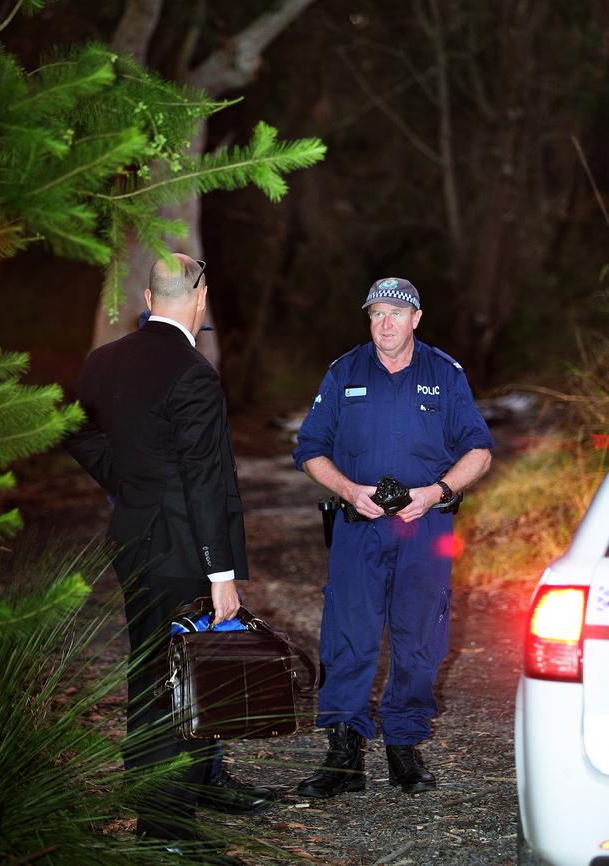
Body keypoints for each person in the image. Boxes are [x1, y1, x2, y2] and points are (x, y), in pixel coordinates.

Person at [65, 253, 272, 857]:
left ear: (152, 298)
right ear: (199, 298)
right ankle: (165, 823)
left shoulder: (104, 361)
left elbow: (75, 429)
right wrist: (221, 573)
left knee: (174, 665)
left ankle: (203, 779)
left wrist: (126, 481)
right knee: (169, 678)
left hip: (133, 539)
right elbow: (205, 480)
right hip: (181, 551)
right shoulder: (194, 374)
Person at [293, 277, 493, 799]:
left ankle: (403, 745)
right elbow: (310, 447)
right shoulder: (344, 371)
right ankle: (344, 752)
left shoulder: (445, 375)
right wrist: (347, 488)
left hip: (425, 528)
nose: (385, 323)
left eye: (396, 313)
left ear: (416, 319)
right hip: (358, 526)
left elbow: (480, 450)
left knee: (420, 636)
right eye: (377, 313)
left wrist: (436, 490)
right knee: (348, 637)